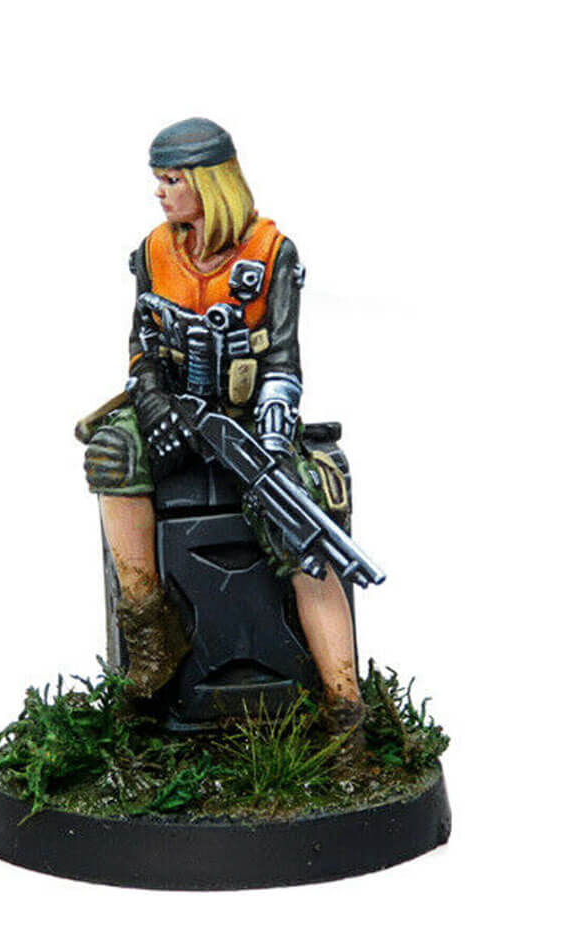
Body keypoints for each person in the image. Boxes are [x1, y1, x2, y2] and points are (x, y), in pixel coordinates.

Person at [83, 118, 366, 739]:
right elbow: (142, 348)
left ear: (209, 183)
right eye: (159, 179)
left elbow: (282, 362)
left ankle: (346, 709)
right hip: (172, 409)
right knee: (111, 454)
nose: (160, 192)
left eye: (172, 180)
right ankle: (152, 636)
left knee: (300, 525)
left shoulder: (270, 253)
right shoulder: (155, 252)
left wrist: (271, 443)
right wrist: (153, 405)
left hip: (245, 421)